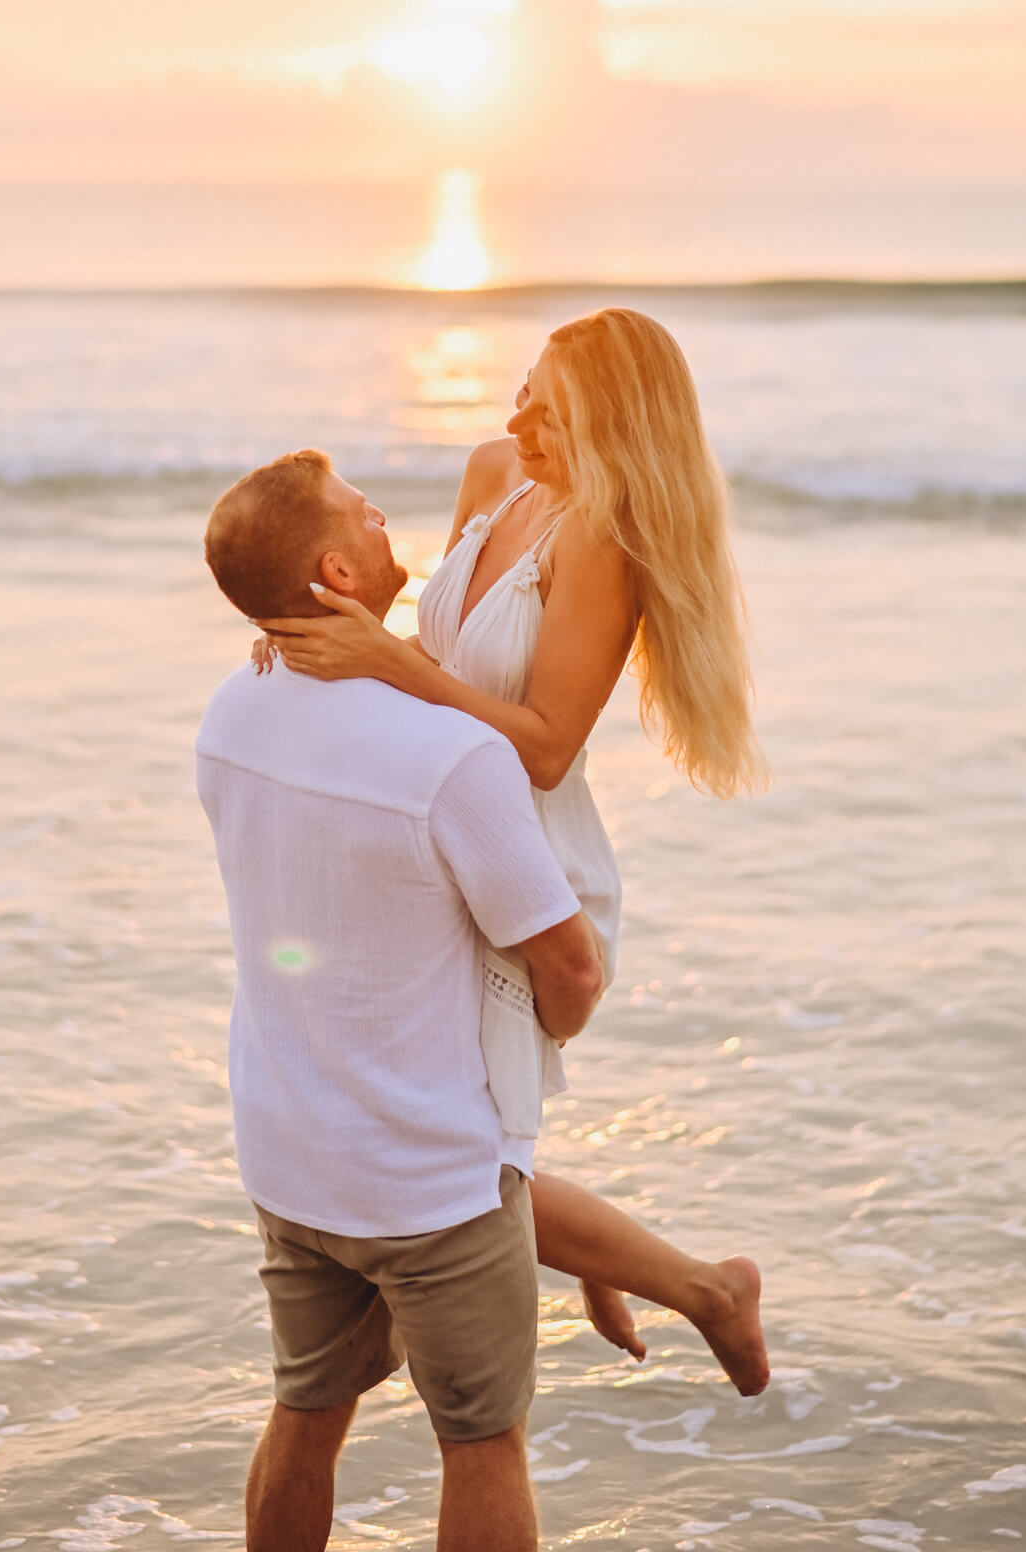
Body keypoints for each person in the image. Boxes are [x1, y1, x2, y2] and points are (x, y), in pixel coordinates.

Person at [255, 307, 771, 1396]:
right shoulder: (494, 471)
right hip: (437, 842)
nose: (515, 421)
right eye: (523, 390)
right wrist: (316, 637)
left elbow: (540, 748)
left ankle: (700, 1288)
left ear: (610, 425)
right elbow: (436, 656)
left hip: (527, 858)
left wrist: (382, 662)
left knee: (456, 1161)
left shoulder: (603, 538)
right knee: (448, 1147)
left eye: (548, 411)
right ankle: (677, 1281)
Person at [197, 449, 607, 1552]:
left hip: (289, 1155)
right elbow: (569, 968)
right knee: (481, 1441)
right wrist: (547, 1039)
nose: (387, 518)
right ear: (336, 571)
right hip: (427, 1180)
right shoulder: (451, 755)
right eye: (365, 512)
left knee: (304, 1413)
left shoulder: (230, 710)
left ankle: (695, 1288)